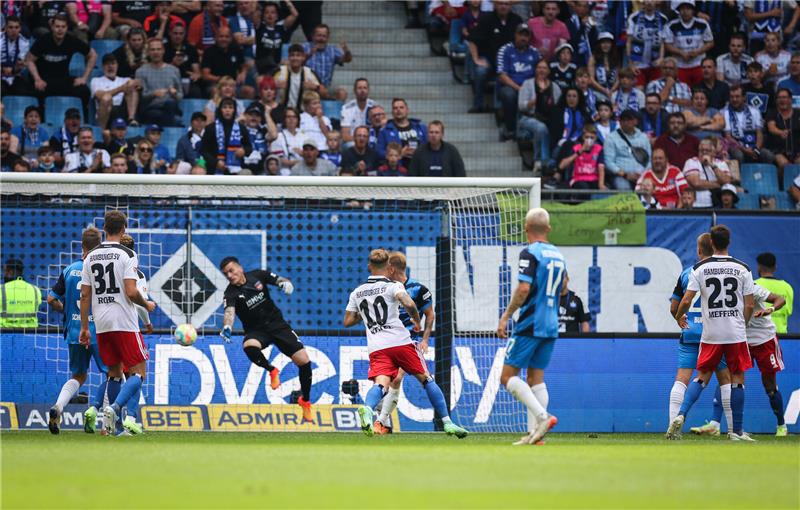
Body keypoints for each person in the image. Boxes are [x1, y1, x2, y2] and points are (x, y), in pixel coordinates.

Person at [343, 249, 468, 438]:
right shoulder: (393, 286)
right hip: (400, 342)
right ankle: (447, 423)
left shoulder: (357, 292)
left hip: (377, 346)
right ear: (387, 267)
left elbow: (348, 321)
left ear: (369, 266)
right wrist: (416, 321)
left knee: (381, 384)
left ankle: (368, 409)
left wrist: (367, 313)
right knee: (426, 379)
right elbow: (408, 304)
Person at [669, 225, 755, 441]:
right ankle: (735, 431)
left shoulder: (698, 269)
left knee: (696, 377)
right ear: (728, 242)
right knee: (734, 379)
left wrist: (680, 316)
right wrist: (742, 323)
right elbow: (750, 304)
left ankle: (678, 417)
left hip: (709, 333)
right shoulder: (742, 268)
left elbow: (685, 300)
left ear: (708, 245)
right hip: (734, 332)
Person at [79, 210, 156, 436]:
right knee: (138, 373)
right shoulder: (127, 253)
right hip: (124, 320)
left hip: (101, 324)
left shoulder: (90, 256)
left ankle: (117, 428)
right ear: (123, 230)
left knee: (113, 373)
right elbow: (131, 292)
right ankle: (115, 408)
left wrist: (85, 327)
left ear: (104, 228)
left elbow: (85, 295)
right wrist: (146, 304)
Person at [497, 208, 563, 446]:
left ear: (526, 229)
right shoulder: (558, 254)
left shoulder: (530, 252)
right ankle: (536, 434)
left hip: (531, 322)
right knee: (536, 378)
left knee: (507, 377)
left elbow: (524, 289)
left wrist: (506, 316)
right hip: (551, 323)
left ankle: (543, 418)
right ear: (548, 229)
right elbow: (564, 287)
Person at [219, 256, 314, 422]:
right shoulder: (230, 293)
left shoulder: (258, 275)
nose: (230, 275)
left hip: (278, 325)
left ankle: (305, 401)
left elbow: (279, 279)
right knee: (249, 346)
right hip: (257, 331)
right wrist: (227, 327)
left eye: (231, 271)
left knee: (304, 361)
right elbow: (229, 312)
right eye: (226, 274)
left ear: (240, 268)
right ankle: (272, 370)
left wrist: (285, 283)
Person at [693, 283, 787, 437]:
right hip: (739, 339)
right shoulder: (723, 289)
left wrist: (769, 309)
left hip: (764, 339)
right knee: (728, 378)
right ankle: (715, 424)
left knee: (769, 385)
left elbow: (780, 299)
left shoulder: (752, 288)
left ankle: (781, 425)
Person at [668, 233, 733, 438]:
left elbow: (674, 306)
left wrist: (680, 319)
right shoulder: (723, 271)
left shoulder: (688, 273)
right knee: (726, 380)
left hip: (690, 332)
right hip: (715, 333)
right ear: (714, 248)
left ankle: (672, 427)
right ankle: (733, 430)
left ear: (698, 251)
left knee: (681, 380)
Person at [45, 228, 105, 434]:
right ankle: (106, 422)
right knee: (111, 374)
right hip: (99, 331)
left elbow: (51, 299)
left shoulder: (70, 270)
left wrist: (65, 309)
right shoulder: (102, 270)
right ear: (100, 245)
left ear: (82, 245)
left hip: (74, 331)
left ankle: (58, 407)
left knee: (79, 375)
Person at [373, 251, 436, 434]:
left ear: (391, 269)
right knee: (384, 379)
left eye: (386, 268)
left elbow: (430, 314)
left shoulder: (419, 289)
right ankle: (382, 419)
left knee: (397, 377)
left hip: (409, 340)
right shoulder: (385, 289)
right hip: (387, 341)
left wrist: (425, 340)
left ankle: (380, 422)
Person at [26, 14, 96, 117]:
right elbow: (29, 60)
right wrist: (37, 79)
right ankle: (41, 120)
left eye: (63, 27)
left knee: (83, 90)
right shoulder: (44, 40)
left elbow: (93, 55)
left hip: (63, 79)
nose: (60, 30)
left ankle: (82, 120)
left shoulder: (71, 40)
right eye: (57, 26)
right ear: (52, 27)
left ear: (67, 28)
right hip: (44, 79)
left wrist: (84, 78)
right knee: (36, 90)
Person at [466, 1, 523, 113]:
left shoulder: (517, 20)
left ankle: (499, 109)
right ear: (495, 5)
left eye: (506, 4)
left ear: (511, 6)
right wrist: (476, 59)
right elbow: (472, 41)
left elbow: (523, 42)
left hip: (509, 62)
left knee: (502, 76)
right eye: (500, 3)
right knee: (480, 71)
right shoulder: (486, 19)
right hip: (489, 59)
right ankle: (478, 104)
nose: (503, 6)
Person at [496, 24, 540, 140]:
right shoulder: (505, 50)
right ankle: (510, 129)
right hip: (511, 86)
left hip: (530, 88)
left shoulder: (535, 52)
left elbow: (541, 73)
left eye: (526, 35)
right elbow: (502, 76)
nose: (523, 38)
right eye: (521, 34)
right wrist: (520, 89)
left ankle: (527, 132)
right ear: (515, 35)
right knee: (508, 94)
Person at [517, 60, 560, 169]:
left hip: (547, 118)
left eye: (544, 68)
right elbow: (521, 106)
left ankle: (553, 161)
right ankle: (541, 160)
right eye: (539, 67)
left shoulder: (554, 87)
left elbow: (559, 106)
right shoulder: (528, 84)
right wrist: (531, 103)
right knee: (541, 128)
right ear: (535, 70)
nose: (542, 70)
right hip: (528, 118)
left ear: (548, 71)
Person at [663, 0, 714, 88]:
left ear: (693, 10)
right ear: (679, 11)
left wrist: (698, 52)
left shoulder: (702, 24)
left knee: (700, 92)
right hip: (680, 66)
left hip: (698, 64)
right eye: (682, 9)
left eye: (688, 9)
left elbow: (710, 42)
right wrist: (680, 52)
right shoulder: (672, 25)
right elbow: (667, 45)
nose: (685, 12)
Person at [135, 38, 183, 127]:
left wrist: (175, 93)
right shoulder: (140, 71)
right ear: (148, 52)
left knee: (170, 104)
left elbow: (180, 96)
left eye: (158, 49)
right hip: (151, 108)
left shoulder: (174, 70)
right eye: (152, 50)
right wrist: (154, 94)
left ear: (163, 51)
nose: (156, 52)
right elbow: (141, 97)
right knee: (168, 117)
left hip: (170, 107)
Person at [723, 85, 774, 165]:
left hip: (754, 145)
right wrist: (745, 150)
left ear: (744, 97)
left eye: (737, 97)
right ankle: (739, 177)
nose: (734, 99)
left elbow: (759, 133)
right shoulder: (725, 113)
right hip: (736, 146)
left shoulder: (755, 111)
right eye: (732, 97)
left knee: (768, 155)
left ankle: (764, 177)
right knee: (739, 155)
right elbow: (728, 137)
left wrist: (756, 149)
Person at [201, 97, 252, 175]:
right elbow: (204, 151)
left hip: (237, 170)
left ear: (234, 110)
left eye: (230, 107)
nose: (227, 110)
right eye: (224, 107)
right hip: (214, 170)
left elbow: (249, 147)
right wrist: (215, 162)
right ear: (220, 110)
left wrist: (244, 150)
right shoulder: (211, 128)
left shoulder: (241, 128)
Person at [603, 109, 651, 190]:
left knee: (649, 186)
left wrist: (643, 174)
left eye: (629, 120)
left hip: (642, 175)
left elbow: (649, 160)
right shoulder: (611, 138)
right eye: (623, 120)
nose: (625, 123)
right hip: (621, 176)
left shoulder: (643, 137)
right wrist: (625, 174)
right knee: (623, 187)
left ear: (635, 121)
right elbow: (608, 162)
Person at [201, 26, 253, 99]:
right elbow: (205, 75)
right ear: (216, 37)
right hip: (216, 85)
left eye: (227, 37)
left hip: (233, 86)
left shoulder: (236, 49)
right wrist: (223, 81)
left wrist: (243, 73)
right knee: (214, 91)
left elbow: (244, 65)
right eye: (221, 36)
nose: (224, 39)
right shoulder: (209, 52)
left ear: (231, 38)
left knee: (249, 91)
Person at [91, 54, 139, 129]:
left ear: (117, 65)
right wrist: (120, 89)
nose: (110, 66)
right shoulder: (96, 80)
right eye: (107, 64)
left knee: (132, 87)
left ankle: (131, 119)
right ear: (103, 67)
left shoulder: (124, 80)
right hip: (106, 113)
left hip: (122, 111)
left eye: (113, 63)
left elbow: (136, 85)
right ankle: (101, 130)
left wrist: (136, 83)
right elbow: (99, 95)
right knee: (107, 98)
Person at [626, 0, 668, 87]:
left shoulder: (663, 19)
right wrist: (630, 64)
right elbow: (629, 41)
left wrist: (661, 58)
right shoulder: (634, 17)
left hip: (654, 63)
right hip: (638, 63)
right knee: (639, 90)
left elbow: (662, 42)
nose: (649, 2)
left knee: (654, 90)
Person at [682, 137, 732, 208]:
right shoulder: (692, 162)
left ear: (713, 152)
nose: (704, 153)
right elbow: (696, 183)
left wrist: (712, 165)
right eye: (701, 150)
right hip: (696, 205)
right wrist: (719, 184)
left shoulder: (721, 164)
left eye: (707, 150)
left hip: (716, 204)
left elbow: (726, 181)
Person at [376, 98, 427, 165]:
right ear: (392, 112)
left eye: (401, 107)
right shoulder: (385, 131)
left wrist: (418, 153)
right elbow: (379, 153)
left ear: (407, 110)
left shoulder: (420, 128)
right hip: (397, 170)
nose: (398, 110)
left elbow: (428, 148)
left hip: (418, 168)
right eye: (395, 108)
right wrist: (398, 154)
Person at [302, 23, 351, 93]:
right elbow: (293, 62)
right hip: (308, 86)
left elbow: (347, 60)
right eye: (319, 35)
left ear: (327, 38)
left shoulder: (332, 49)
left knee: (342, 93)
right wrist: (309, 54)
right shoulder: (305, 47)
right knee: (320, 90)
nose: (321, 39)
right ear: (313, 36)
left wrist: (347, 52)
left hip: (326, 87)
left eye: (324, 36)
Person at [254, 1, 298, 77]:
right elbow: (253, 12)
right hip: (261, 66)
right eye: (267, 12)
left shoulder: (280, 27)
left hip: (276, 66)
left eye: (273, 12)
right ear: (263, 16)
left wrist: (287, 1)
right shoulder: (260, 26)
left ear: (277, 16)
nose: (270, 15)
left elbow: (295, 15)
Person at [274, 44, 324, 111]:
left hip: (303, 113)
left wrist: (316, 87)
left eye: (298, 55)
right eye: (292, 55)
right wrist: (273, 85)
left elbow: (325, 94)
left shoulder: (310, 73)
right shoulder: (279, 71)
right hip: (281, 111)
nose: (295, 58)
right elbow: (263, 87)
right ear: (288, 57)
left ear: (303, 57)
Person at [754, 252, 794, 335]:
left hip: (761, 335)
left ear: (759, 267)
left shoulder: (754, 285)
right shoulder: (787, 287)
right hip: (783, 335)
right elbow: (788, 311)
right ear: (775, 267)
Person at [766, 88, 800, 184]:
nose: (782, 100)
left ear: (790, 99)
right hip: (778, 151)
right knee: (785, 165)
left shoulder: (798, 113)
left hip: (797, 151)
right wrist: (780, 132)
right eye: (779, 98)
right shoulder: (772, 113)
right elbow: (771, 127)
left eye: (784, 97)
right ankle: (782, 188)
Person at [163, 21, 203, 99]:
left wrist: (195, 75)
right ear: (169, 33)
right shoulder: (163, 49)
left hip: (186, 80)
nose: (178, 36)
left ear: (185, 34)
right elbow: (160, 70)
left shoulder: (190, 49)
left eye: (181, 33)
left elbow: (197, 71)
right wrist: (173, 64)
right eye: (175, 33)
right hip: (168, 81)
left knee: (196, 91)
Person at [559, 124, 605, 190]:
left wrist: (601, 184)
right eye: (587, 137)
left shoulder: (599, 149)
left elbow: (601, 167)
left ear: (596, 138)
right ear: (583, 137)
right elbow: (561, 166)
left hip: (593, 179)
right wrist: (580, 151)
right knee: (583, 187)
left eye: (592, 137)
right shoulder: (576, 148)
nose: (589, 140)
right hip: (578, 179)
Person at [0, 258, 41, 328]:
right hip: (31, 333)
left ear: (10, 272)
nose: (4, 274)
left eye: (5, 271)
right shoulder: (35, 290)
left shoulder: (1, 289)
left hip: (5, 333)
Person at [0, 16, 31, 96]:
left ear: (20, 28)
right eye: (10, 27)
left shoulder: (24, 43)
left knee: (23, 91)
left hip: (15, 75)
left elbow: (21, 64)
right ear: (5, 28)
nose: (14, 30)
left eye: (16, 27)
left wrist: (15, 68)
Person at [340, 78, 376, 145]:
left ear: (368, 90)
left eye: (365, 88)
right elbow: (345, 136)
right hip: (353, 142)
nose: (362, 91)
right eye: (359, 88)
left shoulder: (374, 107)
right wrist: (361, 141)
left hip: (370, 142)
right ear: (354, 90)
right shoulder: (347, 108)